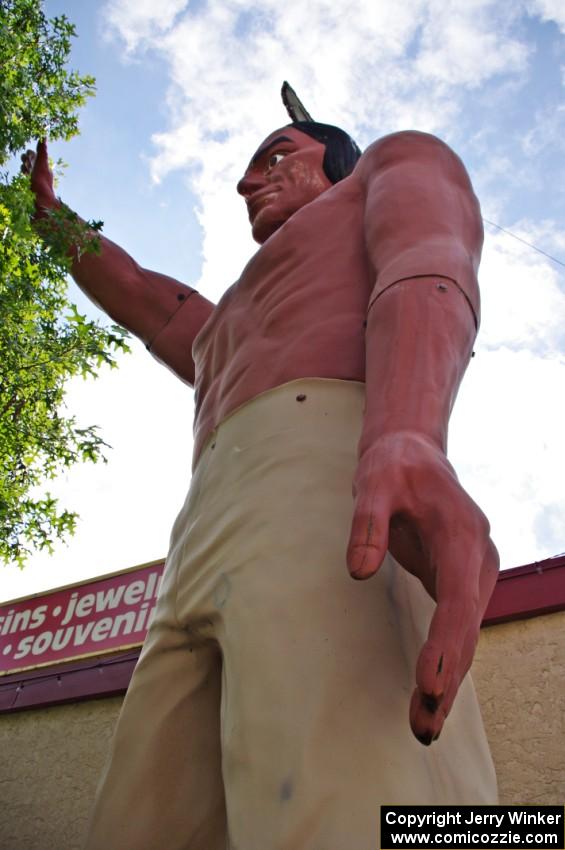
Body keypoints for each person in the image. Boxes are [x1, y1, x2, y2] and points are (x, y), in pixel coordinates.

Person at [23, 88, 499, 849]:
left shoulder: (389, 164)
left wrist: (406, 432)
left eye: (276, 156)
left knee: (349, 797)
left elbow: (425, 258)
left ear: (337, 165)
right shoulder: (227, 320)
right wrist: (53, 221)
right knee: (141, 817)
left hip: (326, 480)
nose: (249, 182)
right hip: (199, 530)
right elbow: (141, 294)